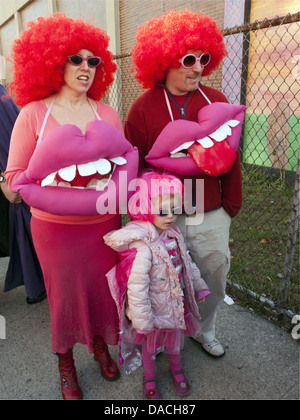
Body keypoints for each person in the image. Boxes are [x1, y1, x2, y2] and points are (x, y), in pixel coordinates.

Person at [5, 14, 138, 400]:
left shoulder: (106, 114)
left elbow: (123, 162)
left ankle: (100, 346)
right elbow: (15, 178)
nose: (85, 68)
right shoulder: (33, 114)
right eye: (75, 59)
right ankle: (65, 362)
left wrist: (113, 194)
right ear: (53, 61)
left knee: (102, 291)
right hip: (55, 231)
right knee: (63, 297)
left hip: (104, 226)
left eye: (93, 60)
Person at [124, 10, 243, 358]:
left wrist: (229, 207)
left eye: (203, 58)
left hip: (211, 213)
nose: (197, 67)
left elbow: (231, 159)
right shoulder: (142, 110)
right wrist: (143, 220)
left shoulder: (218, 102)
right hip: (163, 220)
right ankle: (164, 335)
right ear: (163, 61)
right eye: (188, 59)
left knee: (214, 278)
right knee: (163, 282)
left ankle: (203, 330)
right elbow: (135, 169)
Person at [104, 171, 210, 399]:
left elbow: (187, 262)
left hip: (174, 305)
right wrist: (142, 320)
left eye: (174, 209)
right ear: (145, 208)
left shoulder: (174, 235)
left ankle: (177, 371)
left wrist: (199, 285)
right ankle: (149, 378)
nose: (170, 216)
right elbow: (137, 287)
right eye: (162, 211)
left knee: (174, 344)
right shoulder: (144, 247)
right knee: (150, 348)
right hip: (153, 312)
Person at [0, 84, 45, 304]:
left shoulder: (2, 90)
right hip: (10, 177)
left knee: (32, 223)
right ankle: (34, 285)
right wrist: (2, 180)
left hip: (25, 170)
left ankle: (39, 283)